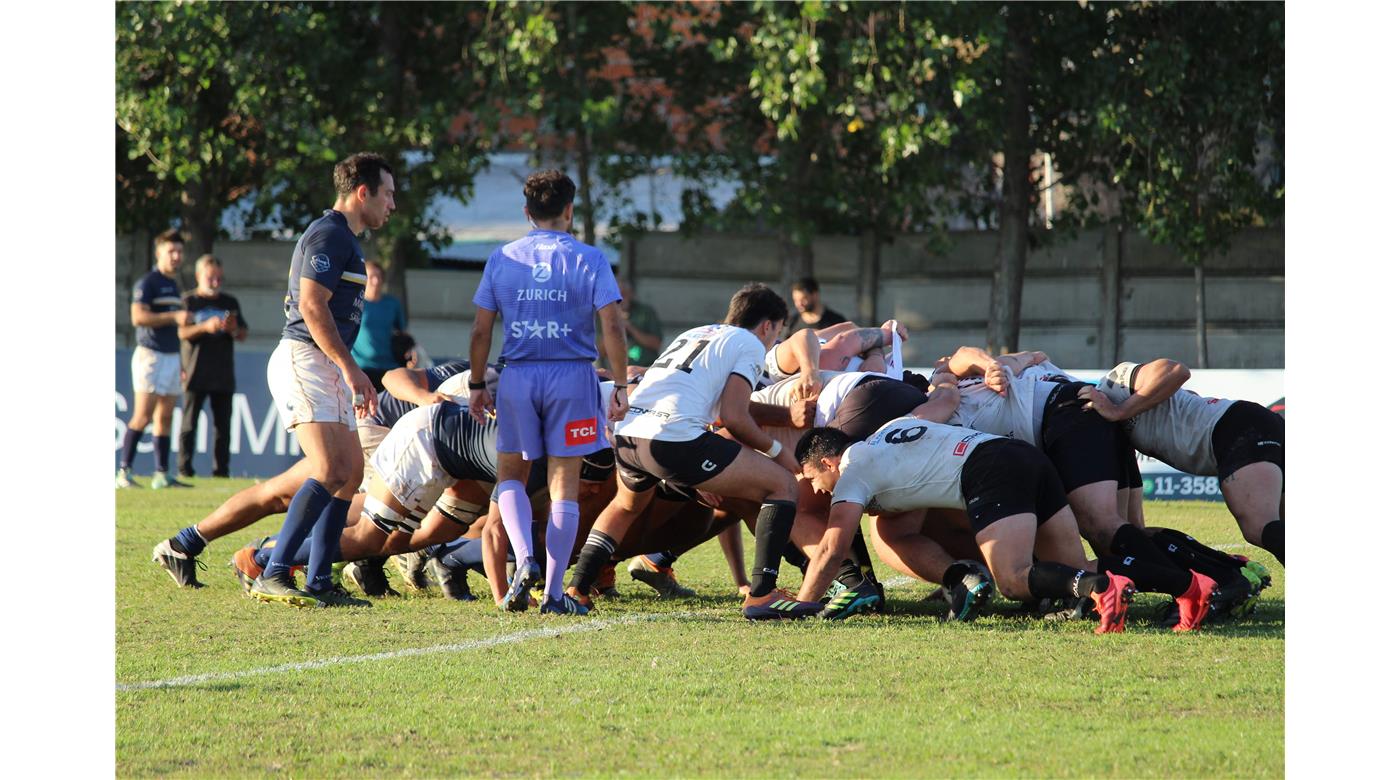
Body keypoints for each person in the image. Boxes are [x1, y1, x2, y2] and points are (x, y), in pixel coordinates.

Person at [566, 283, 824, 620]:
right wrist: (778, 452)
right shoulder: (749, 344)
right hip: (671, 438)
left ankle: (578, 588)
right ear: (768, 326)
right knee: (782, 485)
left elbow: (713, 409)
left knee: (625, 506)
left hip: (631, 434)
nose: (775, 339)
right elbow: (734, 415)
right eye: (777, 331)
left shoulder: (697, 332)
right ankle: (762, 595)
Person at [936, 347, 1218, 631]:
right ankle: (1225, 572)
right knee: (1118, 536)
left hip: (1068, 414)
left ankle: (1196, 587)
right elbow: (1024, 357)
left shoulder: (935, 396)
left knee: (1102, 528)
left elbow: (957, 359)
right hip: (1073, 417)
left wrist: (990, 367)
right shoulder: (959, 392)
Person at [794, 417, 1137, 634]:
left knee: (1014, 581)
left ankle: (1099, 587)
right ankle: (1184, 580)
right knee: (1070, 567)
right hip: (1020, 453)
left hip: (989, 471)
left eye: (812, 478)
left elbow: (832, 546)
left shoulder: (852, 475)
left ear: (828, 462)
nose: (814, 489)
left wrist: (802, 605)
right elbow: (939, 410)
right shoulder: (888, 431)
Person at [467, 168, 630, 616]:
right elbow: (612, 324)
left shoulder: (503, 258)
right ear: (569, 211)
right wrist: (619, 384)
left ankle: (524, 561)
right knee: (564, 489)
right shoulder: (590, 259)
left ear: (526, 212)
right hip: (572, 378)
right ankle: (555, 593)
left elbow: (482, 329)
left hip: (518, 375)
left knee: (511, 479)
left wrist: (478, 382)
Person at [251, 151, 395, 608]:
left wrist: (345, 368)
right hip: (305, 359)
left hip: (325, 362)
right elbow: (311, 307)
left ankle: (319, 581)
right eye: (388, 194)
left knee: (351, 474)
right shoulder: (329, 234)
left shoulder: (346, 240)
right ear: (362, 192)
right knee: (330, 470)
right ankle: (273, 571)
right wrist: (352, 369)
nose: (392, 204)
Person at [1080, 358, 1284, 565]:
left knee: (1258, 526)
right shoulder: (1106, 428)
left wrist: (1119, 411)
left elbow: (1177, 371)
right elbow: (1132, 523)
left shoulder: (1112, 384)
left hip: (1236, 427)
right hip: (1249, 424)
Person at [117, 229, 192, 490]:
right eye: (171, 251)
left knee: (166, 416)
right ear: (159, 252)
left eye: (179, 252)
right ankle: (124, 471)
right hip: (150, 354)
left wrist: (181, 361)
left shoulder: (174, 284)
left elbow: (177, 325)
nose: (176, 256)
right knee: (143, 415)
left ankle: (161, 474)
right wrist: (173, 318)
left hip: (172, 356)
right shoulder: (148, 282)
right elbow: (138, 317)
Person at [176, 254, 248, 479]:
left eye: (219, 277)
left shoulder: (230, 302)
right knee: (189, 424)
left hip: (223, 372)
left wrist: (232, 329)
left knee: (223, 427)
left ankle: (221, 471)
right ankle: (184, 469)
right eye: (211, 277)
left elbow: (243, 334)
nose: (216, 281)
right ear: (199, 276)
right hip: (195, 370)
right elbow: (182, 333)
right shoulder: (189, 302)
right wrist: (205, 327)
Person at [350, 260, 406, 392]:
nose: (375, 281)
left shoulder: (392, 304)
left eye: (379, 276)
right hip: (360, 367)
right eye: (371, 277)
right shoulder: (355, 304)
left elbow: (402, 333)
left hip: (389, 367)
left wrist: (410, 351)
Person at [618, 279, 664, 365]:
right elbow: (599, 350)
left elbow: (656, 344)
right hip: (615, 370)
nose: (620, 298)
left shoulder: (645, 312)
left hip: (645, 367)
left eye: (624, 294)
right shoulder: (604, 314)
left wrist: (630, 327)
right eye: (617, 294)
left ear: (631, 294)